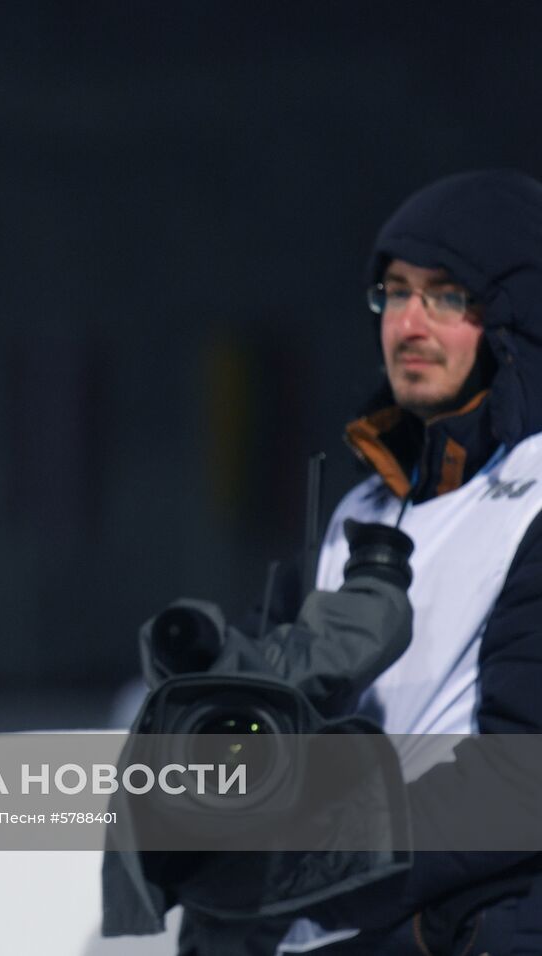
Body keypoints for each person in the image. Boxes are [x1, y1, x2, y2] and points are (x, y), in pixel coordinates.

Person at [178, 169, 542, 954]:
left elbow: (523, 781)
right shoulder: (356, 510)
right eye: (394, 291)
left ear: (515, 317)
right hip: (341, 926)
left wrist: (313, 859)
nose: (410, 322)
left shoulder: (535, 497)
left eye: (447, 295)